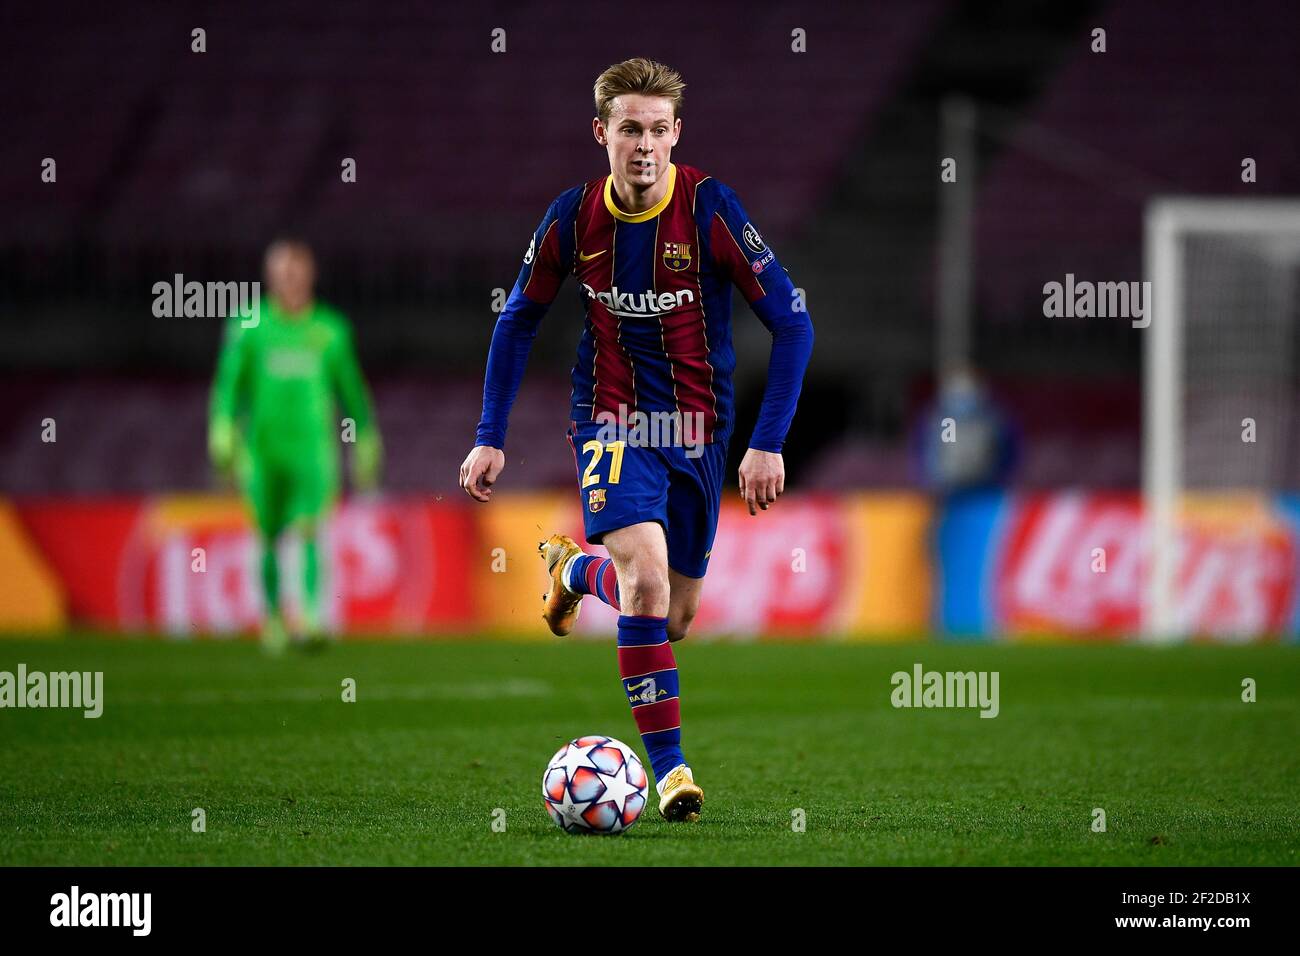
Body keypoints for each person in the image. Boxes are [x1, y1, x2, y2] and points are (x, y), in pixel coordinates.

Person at [459, 59, 813, 821]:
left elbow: (792, 322)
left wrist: (767, 441)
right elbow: (518, 318)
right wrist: (490, 434)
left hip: (698, 431)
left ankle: (575, 571)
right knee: (649, 584)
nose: (645, 146)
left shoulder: (712, 209)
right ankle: (672, 773)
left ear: (677, 134)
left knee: (672, 616)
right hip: (611, 420)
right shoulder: (571, 217)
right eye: (629, 130)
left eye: (658, 130)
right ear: (602, 134)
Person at [209, 239, 382, 653]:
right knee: (267, 534)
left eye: (295, 270)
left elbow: (351, 390)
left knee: (308, 527)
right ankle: (272, 620)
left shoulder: (330, 330)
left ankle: (308, 616)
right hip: (263, 451)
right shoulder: (248, 325)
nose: (288, 278)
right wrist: (222, 427)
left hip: (312, 451)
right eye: (281, 271)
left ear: (309, 274)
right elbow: (229, 386)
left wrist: (365, 435)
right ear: (270, 276)